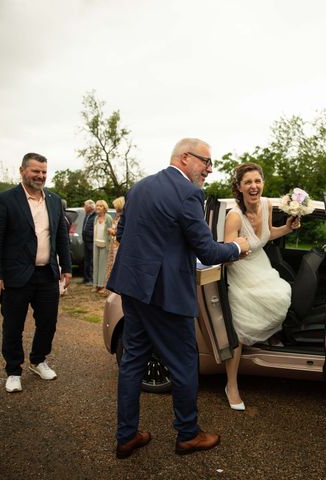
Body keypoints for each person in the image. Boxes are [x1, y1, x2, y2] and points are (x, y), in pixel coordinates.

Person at [106, 138, 250, 459]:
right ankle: (188, 435)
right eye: (205, 162)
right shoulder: (189, 193)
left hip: (133, 289)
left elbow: (124, 233)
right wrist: (238, 246)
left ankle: (126, 436)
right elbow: (208, 250)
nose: (209, 170)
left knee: (132, 363)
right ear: (185, 158)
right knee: (185, 363)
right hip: (165, 295)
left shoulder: (140, 187)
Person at [0, 152, 72, 393]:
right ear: (22, 170)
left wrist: (66, 269)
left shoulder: (55, 201)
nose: (41, 176)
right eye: (36, 171)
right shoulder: (5, 199)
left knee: (48, 322)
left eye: (44, 171)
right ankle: (13, 370)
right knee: (13, 325)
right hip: (15, 276)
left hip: (47, 275)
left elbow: (61, 238)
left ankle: (37, 360)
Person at [223, 162, 301, 410]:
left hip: (261, 267)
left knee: (279, 298)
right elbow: (225, 253)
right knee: (240, 328)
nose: (253, 186)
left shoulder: (268, 205)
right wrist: (238, 250)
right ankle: (231, 385)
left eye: (257, 181)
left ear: (263, 184)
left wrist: (288, 228)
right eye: (248, 182)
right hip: (241, 271)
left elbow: (267, 235)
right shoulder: (234, 216)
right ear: (239, 187)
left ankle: (268, 336)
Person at [92, 199, 112, 293]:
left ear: (104, 208)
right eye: (97, 206)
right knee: (96, 264)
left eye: (100, 206)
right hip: (96, 243)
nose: (98, 207)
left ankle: (103, 286)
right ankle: (96, 285)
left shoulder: (108, 218)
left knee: (103, 265)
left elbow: (111, 232)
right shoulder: (96, 218)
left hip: (105, 244)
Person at [104, 195, 125, 288]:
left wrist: (112, 231)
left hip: (118, 244)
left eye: (116, 206)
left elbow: (120, 231)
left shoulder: (122, 217)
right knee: (111, 263)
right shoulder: (116, 217)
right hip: (113, 243)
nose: (115, 208)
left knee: (116, 263)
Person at [82, 199, 96, 284]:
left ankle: (90, 279)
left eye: (85, 206)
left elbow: (95, 229)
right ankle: (86, 278)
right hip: (86, 241)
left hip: (91, 241)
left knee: (91, 261)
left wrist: (90, 236)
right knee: (86, 260)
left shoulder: (95, 216)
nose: (84, 207)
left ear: (90, 207)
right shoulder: (87, 215)